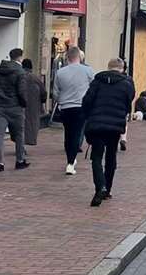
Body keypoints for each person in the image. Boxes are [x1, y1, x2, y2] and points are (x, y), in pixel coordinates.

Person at [81, 57, 135, 207]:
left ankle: (100, 187)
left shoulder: (97, 81)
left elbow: (86, 101)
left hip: (96, 124)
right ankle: (108, 189)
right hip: (115, 126)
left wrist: (88, 116)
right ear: (122, 68)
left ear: (108, 67)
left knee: (96, 157)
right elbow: (128, 102)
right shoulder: (127, 84)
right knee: (111, 156)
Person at [0, 48, 34, 172]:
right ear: (20, 57)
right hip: (15, 108)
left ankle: (0, 163)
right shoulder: (20, 72)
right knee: (19, 134)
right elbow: (22, 91)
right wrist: (23, 104)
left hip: (0, 107)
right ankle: (20, 160)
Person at [52, 45, 94, 175]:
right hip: (81, 106)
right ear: (79, 57)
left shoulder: (60, 72)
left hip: (65, 107)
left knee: (68, 134)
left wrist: (59, 102)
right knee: (77, 133)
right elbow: (93, 88)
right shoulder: (88, 71)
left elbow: (55, 92)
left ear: (67, 58)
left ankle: (70, 159)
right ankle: (70, 162)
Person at [21, 58, 47, 148]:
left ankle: (20, 144)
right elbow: (43, 92)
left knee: (21, 125)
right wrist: (42, 104)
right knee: (31, 125)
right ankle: (26, 142)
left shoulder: (19, 76)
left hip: (20, 105)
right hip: (33, 106)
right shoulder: (35, 78)